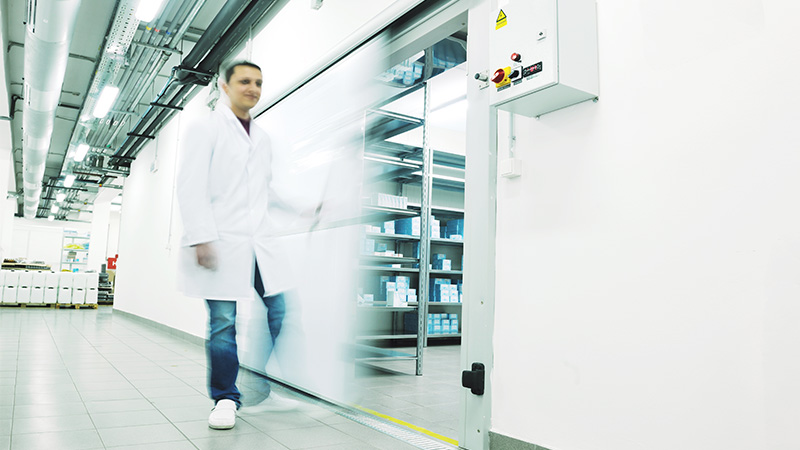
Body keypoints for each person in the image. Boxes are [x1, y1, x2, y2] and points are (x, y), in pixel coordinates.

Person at [176, 60, 299, 431]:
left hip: (258, 243)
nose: (254, 88)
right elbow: (190, 184)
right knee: (224, 324)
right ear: (224, 86)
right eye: (245, 81)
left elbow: (266, 189)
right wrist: (201, 237)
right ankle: (225, 398)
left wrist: (302, 207)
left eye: (259, 82)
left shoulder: (261, 138)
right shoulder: (205, 128)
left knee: (281, 312)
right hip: (219, 241)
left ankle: (260, 382)